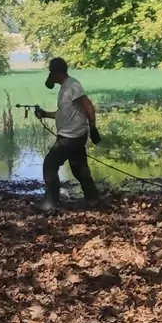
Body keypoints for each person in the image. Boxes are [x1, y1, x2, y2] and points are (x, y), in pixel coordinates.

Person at [34, 57, 101, 211]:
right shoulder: (65, 87)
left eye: (51, 72)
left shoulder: (73, 86)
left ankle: (50, 203)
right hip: (73, 135)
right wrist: (44, 114)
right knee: (79, 168)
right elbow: (63, 114)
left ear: (57, 72)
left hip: (71, 136)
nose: (50, 74)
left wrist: (93, 128)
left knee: (50, 164)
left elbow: (88, 106)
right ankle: (93, 200)